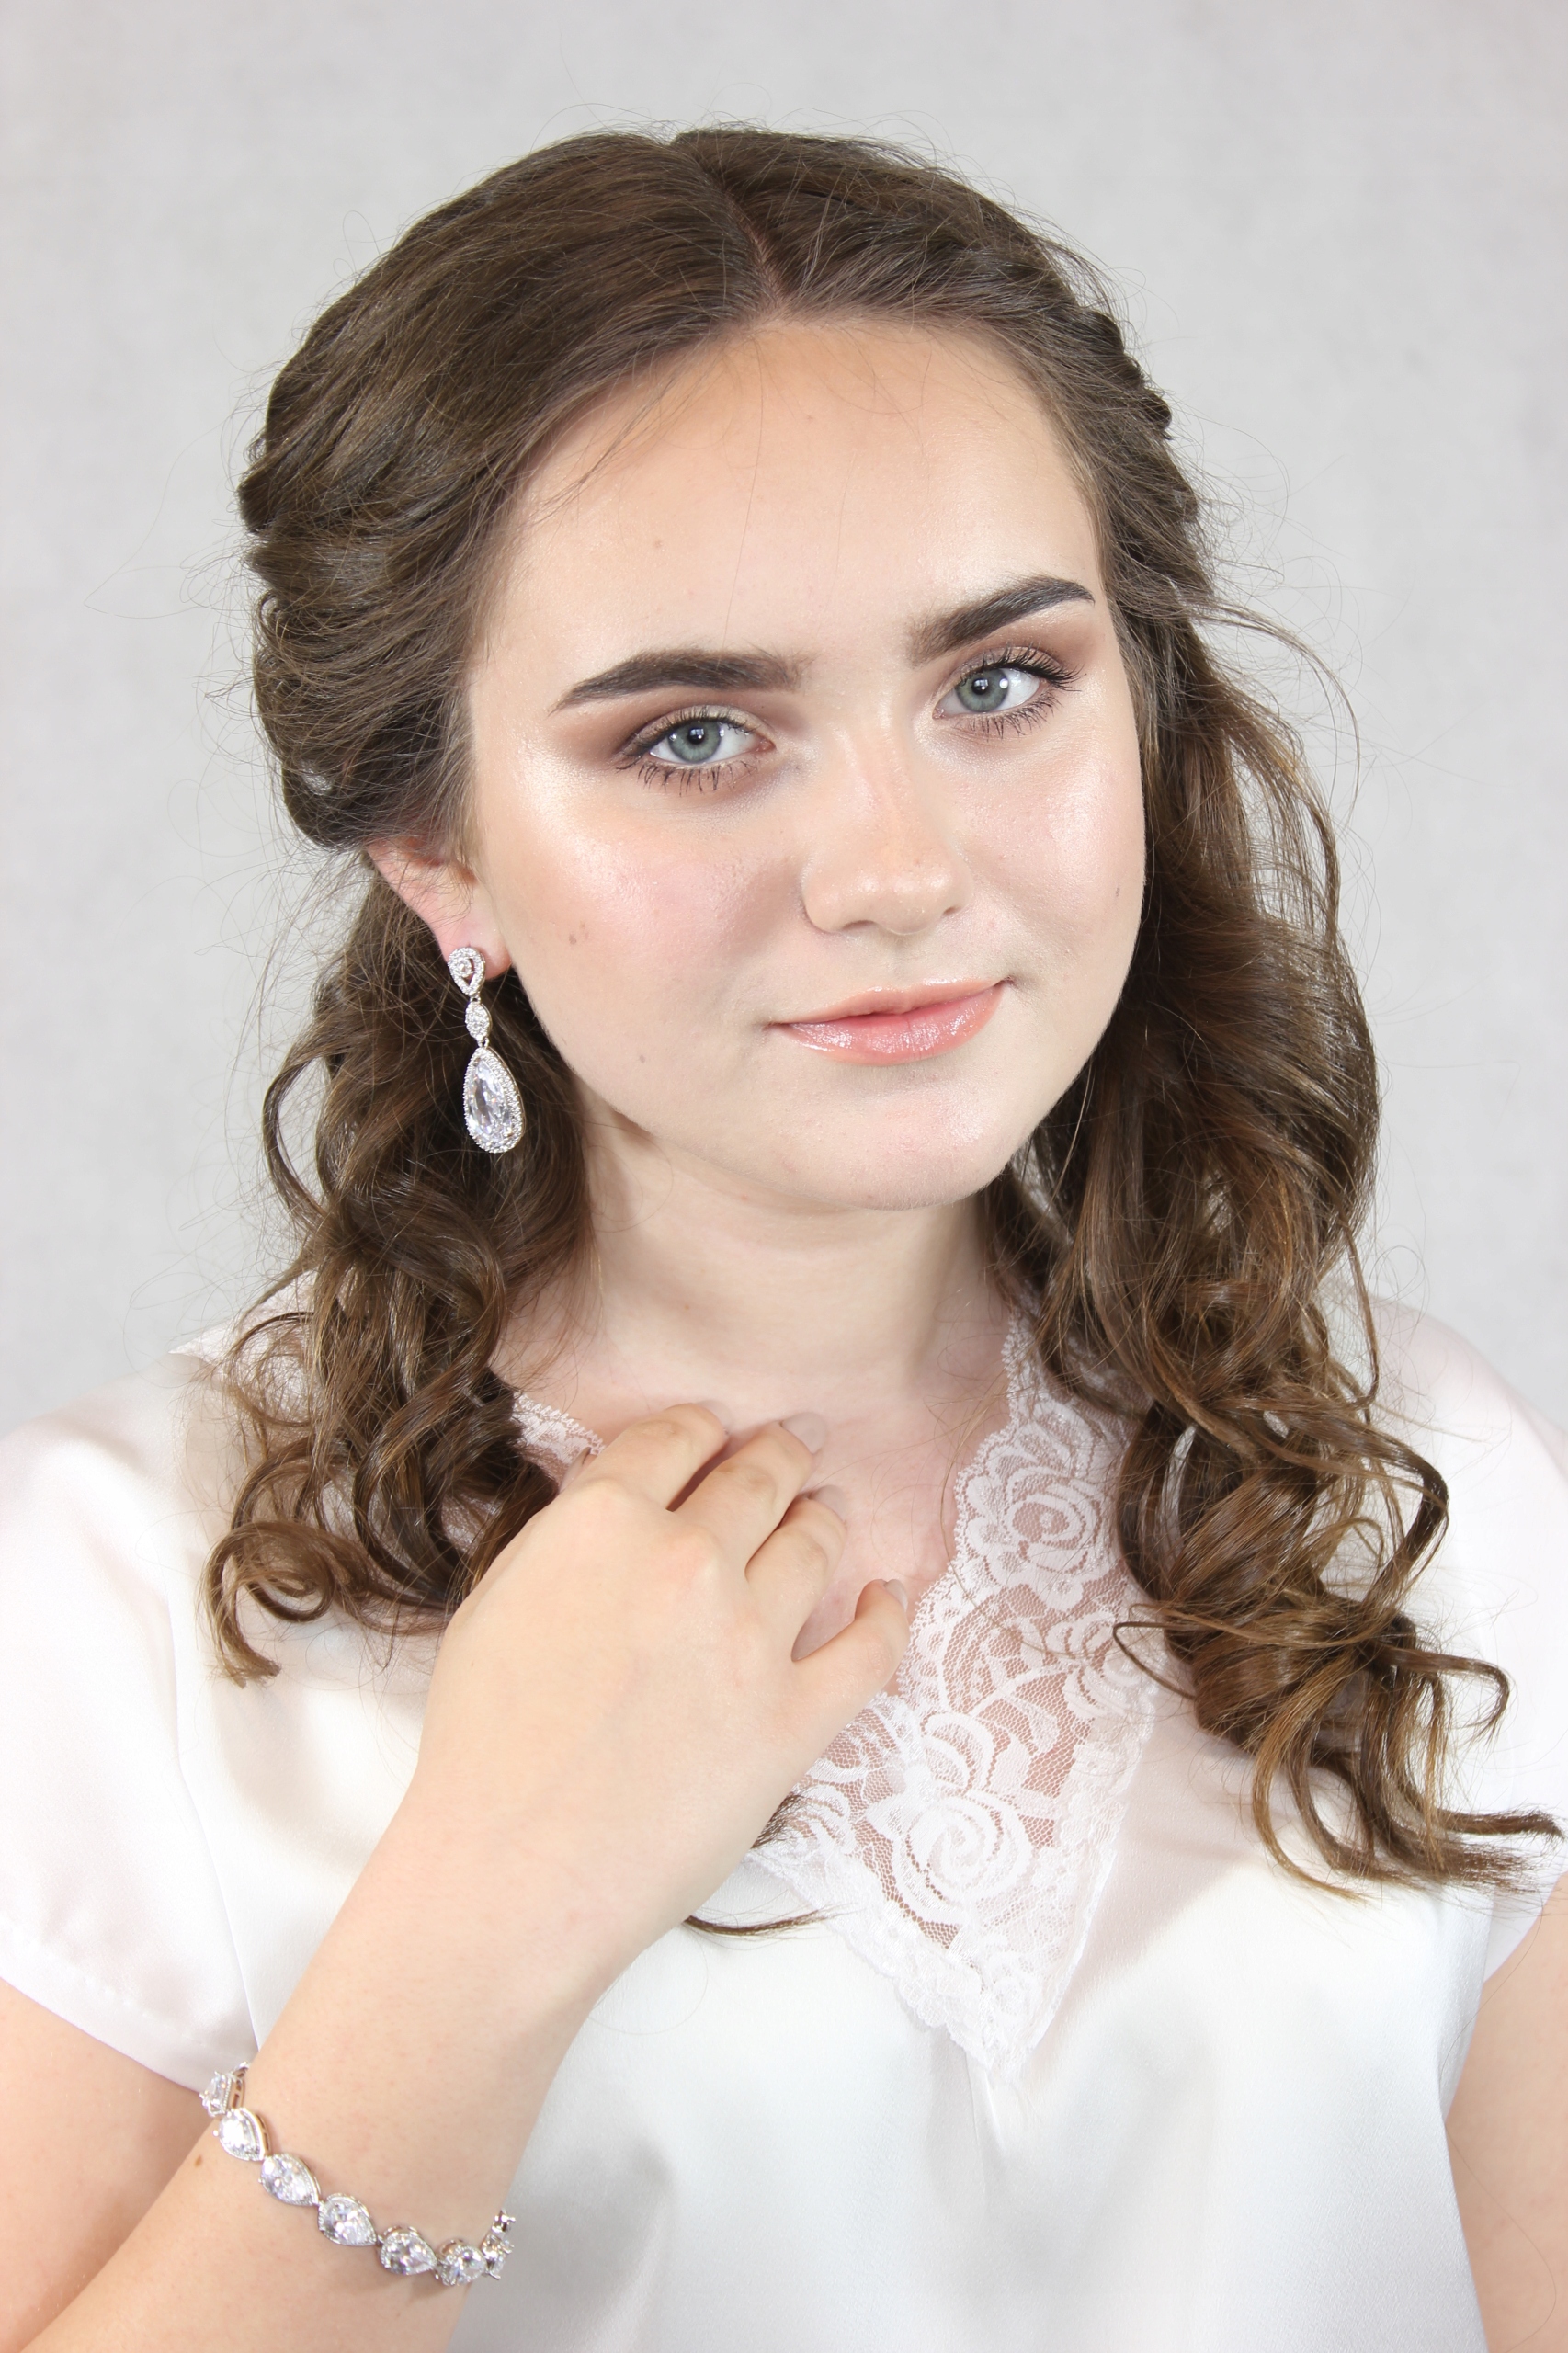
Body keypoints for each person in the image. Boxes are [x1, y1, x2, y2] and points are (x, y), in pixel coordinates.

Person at [0, 125, 1562, 2353]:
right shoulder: (114, 1596)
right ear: (437, 850)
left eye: (998, 683)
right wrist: (478, 1918)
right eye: (697, 734)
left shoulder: (1409, 1482)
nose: (896, 867)